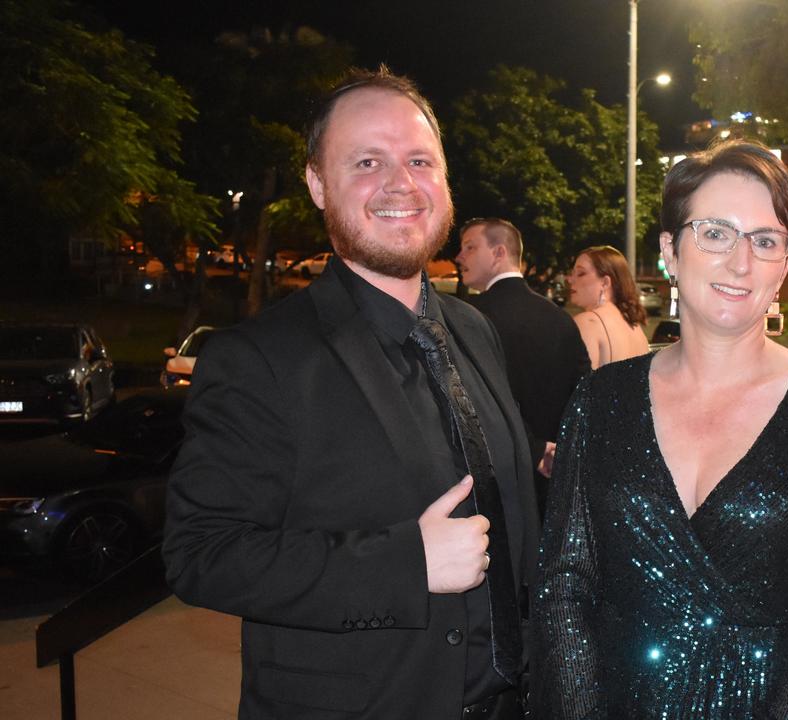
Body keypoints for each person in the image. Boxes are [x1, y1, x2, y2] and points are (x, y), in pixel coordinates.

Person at [163, 67, 539, 719]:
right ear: (317, 184)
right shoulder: (257, 358)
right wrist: (402, 565)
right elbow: (203, 555)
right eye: (367, 161)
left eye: (420, 160)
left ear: (445, 181)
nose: (400, 183)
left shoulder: (476, 330)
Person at [531, 139, 788, 718]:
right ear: (670, 251)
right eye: (716, 233)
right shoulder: (601, 400)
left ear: (786, 263)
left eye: (765, 241)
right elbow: (562, 589)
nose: (741, 262)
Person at [456, 217, 592, 513]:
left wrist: (535, 449)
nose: (459, 257)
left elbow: (472, 406)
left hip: (493, 484)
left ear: (499, 253)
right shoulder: (560, 318)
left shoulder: (468, 319)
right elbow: (585, 393)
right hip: (554, 479)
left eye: (470, 247)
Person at [568, 245, 650, 367]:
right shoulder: (635, 326)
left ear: (605, 282)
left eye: (581, 273)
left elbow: (576, 383)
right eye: (572, 273)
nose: (570, 279)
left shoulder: (587, 322)